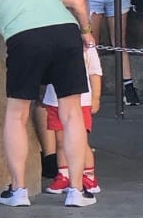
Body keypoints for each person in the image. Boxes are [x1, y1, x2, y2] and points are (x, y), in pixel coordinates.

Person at [0, 0, 97, 209]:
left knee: (17, 113)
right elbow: (78, 1)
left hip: (25, 36)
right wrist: (86, 33)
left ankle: (19, 190)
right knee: (71, 115)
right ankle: (77, 191)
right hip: (66, 30)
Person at [24, 0, 94, 183]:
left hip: (76, 30)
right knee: (49, 101)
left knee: (73, 105)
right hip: (50, 29)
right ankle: (53, 161)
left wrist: (86, 31)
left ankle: (78, 174)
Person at [43, 42, 102, 195]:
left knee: (80, 141)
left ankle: (88, 175)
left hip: (81, 101)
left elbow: (95, 71)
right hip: (54, 99)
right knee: (60, 141)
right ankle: (64, 174)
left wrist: (95, 97)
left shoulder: (88, 45)